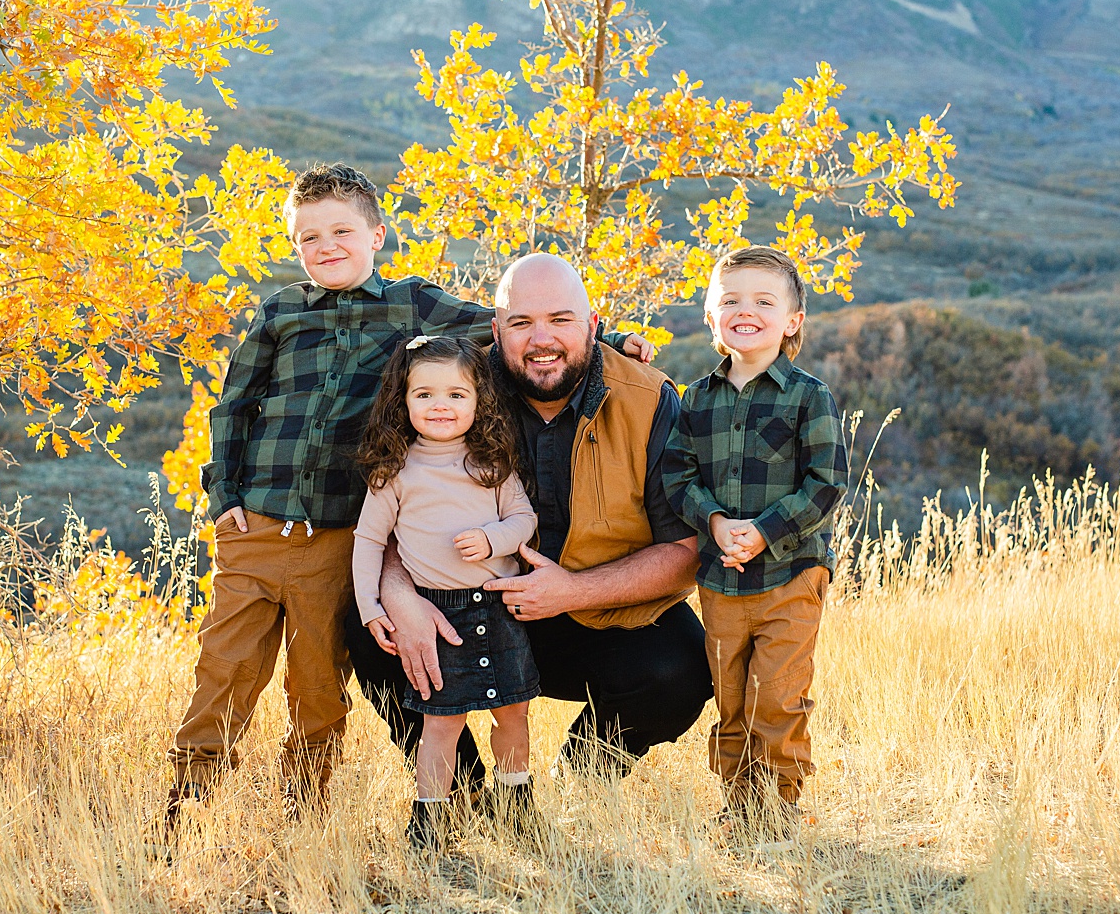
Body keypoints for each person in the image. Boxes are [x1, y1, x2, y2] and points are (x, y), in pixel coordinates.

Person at [167, 165, 652, 827]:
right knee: (225, 667)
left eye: (342, 229)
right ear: (294, 245)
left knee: (317, 685)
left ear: (377, 235)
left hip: (333, 536)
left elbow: (510, 322)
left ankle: (305, 812)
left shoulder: (410, 304)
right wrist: (225, 490)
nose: (326, 245)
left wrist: (611, 336)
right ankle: (183, 803)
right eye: (309, 236)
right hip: (254, 525)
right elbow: (236, 404)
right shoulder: (280, 312)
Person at [347, 253, 714, 792]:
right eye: (521, 323)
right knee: (372, 631)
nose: (541, 339)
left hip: (596, 611)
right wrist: (399, 592)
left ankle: (580, 782)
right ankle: (464, 794)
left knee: (681, 668)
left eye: (561, 320)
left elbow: (684, 552)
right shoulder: (453, 391)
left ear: (594, 326)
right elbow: (396, 512)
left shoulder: (649, 400)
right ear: (496, 332)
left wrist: (570, 591)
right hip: (466, 607)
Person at [662, 246, 848, 823]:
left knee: (778, 696)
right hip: (721, 579)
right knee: (733, 698)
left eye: (765, 301)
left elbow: (828, 481)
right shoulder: (694, 400)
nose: (747, 310)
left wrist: (765, 532)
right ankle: (740, 807)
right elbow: (677, 474)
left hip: (792, 572)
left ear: (792, 321)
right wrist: (716, 523)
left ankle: (780, 808)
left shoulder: (807, 395)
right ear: (710, 316)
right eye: (731, 300)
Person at [352, 336, 539, 849]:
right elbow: (369, 541)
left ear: (479, 402)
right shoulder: (394, 472)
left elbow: (524, 519)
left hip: (498, 606)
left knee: (514, 712)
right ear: (402, 401)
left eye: (457, 395)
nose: (441, 406)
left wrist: (493, 539)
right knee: (441, 722)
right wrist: (370, 605)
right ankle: (430, 817)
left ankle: (515, 805)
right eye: (425, 395)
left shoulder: (491, 463)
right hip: (437, 614)